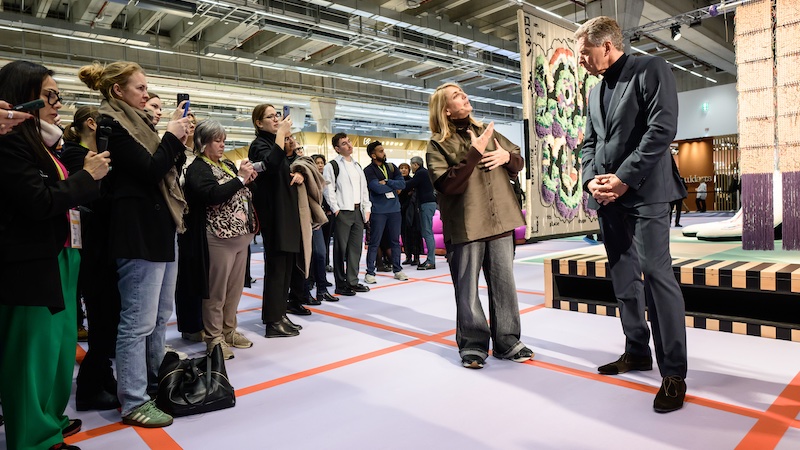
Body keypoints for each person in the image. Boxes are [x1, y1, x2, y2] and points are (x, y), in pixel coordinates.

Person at [576, 16, 688, 413]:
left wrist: (623, 178)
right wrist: (591, 180)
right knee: (623, 277)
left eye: (585, 53)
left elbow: (662, 128)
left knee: (657, 276)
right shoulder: (594, 92)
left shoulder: (650, 69)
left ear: (606, 45)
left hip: (646, 192)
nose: (581, 61)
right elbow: (588, 142)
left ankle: (674, 372)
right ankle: (637, 350)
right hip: (608, 198)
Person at [0, 60, 110, 450]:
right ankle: (32, 439)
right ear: (23, 95)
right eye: (49, 95)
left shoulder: (43, 144)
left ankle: (50, 420)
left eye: (57, 96)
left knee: (59, 347)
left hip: (63, 254)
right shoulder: (11, 141)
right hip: (32, 260)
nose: (56, 103)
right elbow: (37, 201)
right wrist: (86, 177)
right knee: (32, 353)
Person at [79, 60, 190, 427]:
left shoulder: (141, 123)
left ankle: (154, 381)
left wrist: (174, 139)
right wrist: (172, 136)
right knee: (137, 323)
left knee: (158, 318)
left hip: (160, 229)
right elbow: (149, 170)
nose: (147, 93)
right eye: (140, 88)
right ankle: (133, 400)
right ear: (118, 91)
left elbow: (163, 167)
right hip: (137, 233)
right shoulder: (112, 124)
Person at [426, 82, 534, 370]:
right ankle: (473, 345)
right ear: (446, 110)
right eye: (456, 96)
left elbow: (519, 161)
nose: (464, 96)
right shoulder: (437, 144)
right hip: (466, 226)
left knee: (504, 284)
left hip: (500, 220)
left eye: (463, 92)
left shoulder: (488, 131)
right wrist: (473, 153)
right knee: (468, 289)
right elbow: (447, 184)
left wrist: (507, 157)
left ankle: (508, 341)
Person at [60, 106, 122, 412]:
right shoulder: (73, 154)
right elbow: (93, 196)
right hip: (88, 248)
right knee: (100, 317)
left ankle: (102, 376)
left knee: (108, 317)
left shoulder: (96, 156)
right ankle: (89, 386)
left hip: (102, 245)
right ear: (91, 124)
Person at [181, 119, 258, 359]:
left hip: (240, 237)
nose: (222, 144)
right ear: (203, 143)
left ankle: (229, 330)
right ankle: (213, 337)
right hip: (217, 238)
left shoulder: (225, 164)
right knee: (216, 292)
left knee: (234, 291)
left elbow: (236, 192)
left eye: (223, 139)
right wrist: (240, 180)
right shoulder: (197, 168)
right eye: (217, 140)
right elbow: (213, 196)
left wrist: (245, 179)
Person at [248, 104, 307, 337]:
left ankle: (280, 313)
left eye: (277, 116)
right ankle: (272, 321)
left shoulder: (278, 146)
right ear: (258, 123)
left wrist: (295, 164)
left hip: (286, 213)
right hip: (274, 214)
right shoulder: (259, 145)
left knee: (285, 267)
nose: (276, 119)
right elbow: (270, 166)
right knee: (276, 267)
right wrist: (282, 135)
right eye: (270, 117)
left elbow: (283, 168)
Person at [323, 133, 372, 296]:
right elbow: (328, 189)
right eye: (344, 143)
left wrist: (367, 208)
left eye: (349, 142)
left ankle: (352, 281)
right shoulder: (332, 166)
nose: (349, 145)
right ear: (337, 148)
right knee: (340, 249)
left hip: (358, 211)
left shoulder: (357, 165)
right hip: (343, 211)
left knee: (355, 248)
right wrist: (336, 209)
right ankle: (340, 283)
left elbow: (364, 188)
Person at [363, 141, 407, 284]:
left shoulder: (391, 167)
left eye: (383, 150)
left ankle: (398, 270)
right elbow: (376, 188)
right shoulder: (369, 170)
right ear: (373, 155)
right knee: (374, 242)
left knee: (395, 241)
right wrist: (392, 185)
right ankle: (370, 272)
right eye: (380, 151)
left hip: (394, 210)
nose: (384, 153)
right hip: (378, 211)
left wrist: (387, 181)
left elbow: (402, 184)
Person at [406, 156, 437, 270]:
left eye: (411, 165)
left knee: (427, 232)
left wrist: (393, 184)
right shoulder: (425, 173)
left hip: (426, 204)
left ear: (416, 165)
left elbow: (410, 184)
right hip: (429, 203)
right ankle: (430, 259)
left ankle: (431, 260)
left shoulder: (421, 173)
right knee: (427, 231)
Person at [398, 162, 422, 266]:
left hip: (412, 211)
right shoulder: (397, 181)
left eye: (405, 168)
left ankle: (416, 257)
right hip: (401, 212)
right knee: (404, 234)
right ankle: (408, 256)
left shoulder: (412, 181)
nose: (403, 170)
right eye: (401, 168)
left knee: (414, 233)